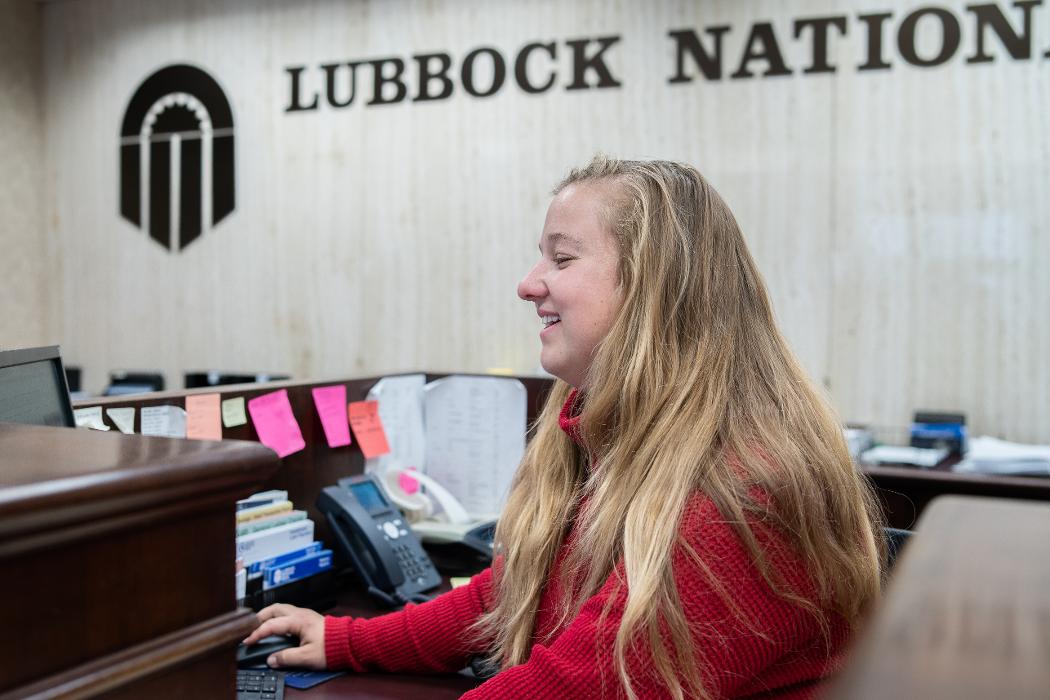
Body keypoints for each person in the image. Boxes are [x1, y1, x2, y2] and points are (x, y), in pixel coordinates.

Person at [243, 156, 885, 699]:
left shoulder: (741, 491)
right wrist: (346, 638)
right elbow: (512, 594)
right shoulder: (607, 439)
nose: (529, 285)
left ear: (653, 288)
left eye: (563, 258)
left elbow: (584, 683)